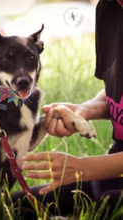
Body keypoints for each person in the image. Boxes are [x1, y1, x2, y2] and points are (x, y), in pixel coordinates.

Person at [12, 0, 123, 219]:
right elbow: (115, 89)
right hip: (116, 161)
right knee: (18, 207)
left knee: (108, 207)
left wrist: (82, 167)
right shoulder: (108, 9)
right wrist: (84, 110)